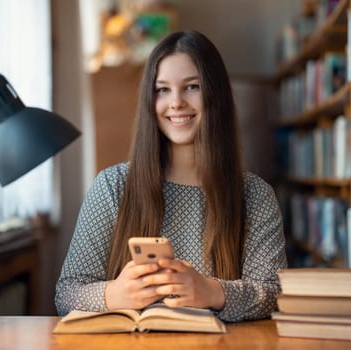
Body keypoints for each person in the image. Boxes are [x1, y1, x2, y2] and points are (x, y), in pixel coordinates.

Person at [55, 30, 287, 322]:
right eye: (162, 89)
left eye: (192, 87)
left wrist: (212, 291)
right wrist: (115, 294)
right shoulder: (112, 186)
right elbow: (66, 294)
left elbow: (272, 294)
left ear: (216, 94)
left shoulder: (254, 194)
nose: (176, 102)